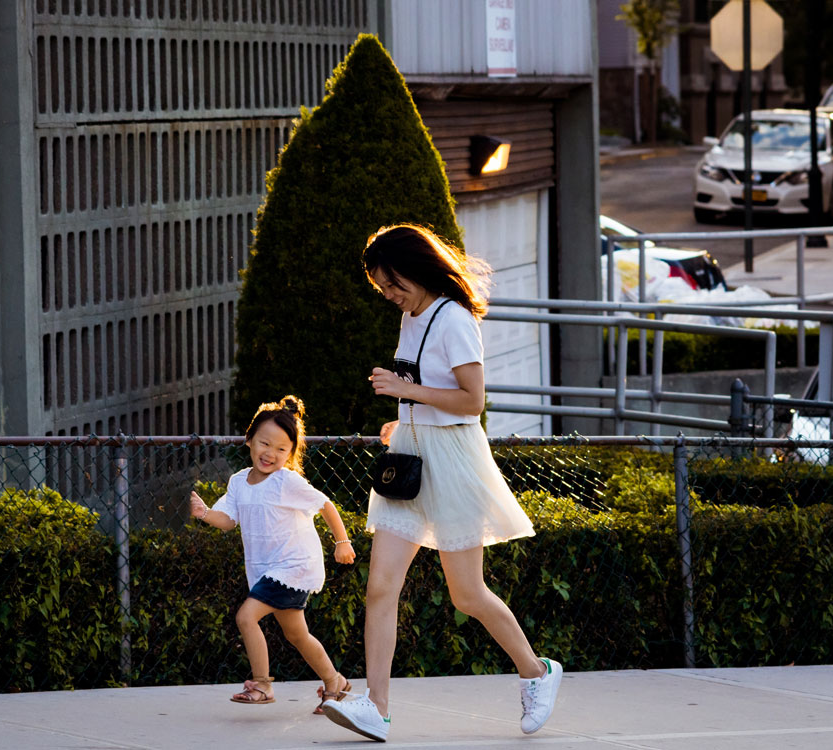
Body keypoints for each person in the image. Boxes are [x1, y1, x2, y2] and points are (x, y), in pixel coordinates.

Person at [320, 225, 562, 741]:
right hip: (410, 453)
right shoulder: (413, 316)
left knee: (467, 593)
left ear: (415, 268)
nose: (389, 296)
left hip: (452, 458)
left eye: (392, 284)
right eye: (382, 288)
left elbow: (472, 401)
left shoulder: (454, 319)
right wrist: (404, 416)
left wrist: (407, 392)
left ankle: (537, 673)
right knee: (380, 587)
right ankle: (377, 708)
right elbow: (429, 393)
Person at [189, 395, 356, 713]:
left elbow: (325, 504)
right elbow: (227, 520)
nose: (272, 454)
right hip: (267, 572)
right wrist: (204, 513)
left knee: (245, 616)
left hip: (293, 567)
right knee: (297, 634)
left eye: (282, 449)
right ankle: (335, 681)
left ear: (291, 453)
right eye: (265, 444)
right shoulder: (239, 481)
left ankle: (263, 685)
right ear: (250, 440)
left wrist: (342, 542)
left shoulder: (286, 481)